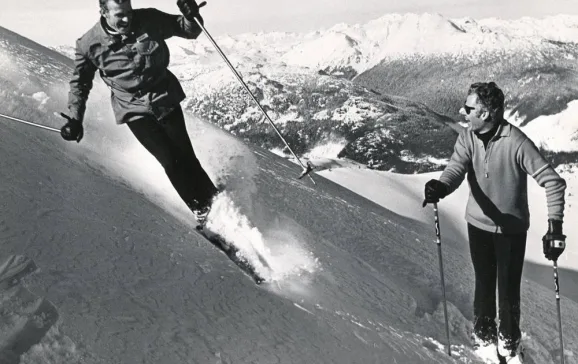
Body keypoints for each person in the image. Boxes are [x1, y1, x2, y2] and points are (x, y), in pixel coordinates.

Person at [423, 82, 567, 363]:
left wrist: (555, 227)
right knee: (484, 285)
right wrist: (441, 187)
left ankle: (510, 347)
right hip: (477, 225)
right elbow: (456, 168)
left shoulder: (516, 142)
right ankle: (486, 342)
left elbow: (553, 183)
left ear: (487, 113)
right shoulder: (467, 138)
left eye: (469, 108)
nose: (463, 112)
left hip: (511, 231)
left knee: (508, 290)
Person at [60, 0, 218, 225]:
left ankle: (215, 200)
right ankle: (201, 211)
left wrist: (190, 15)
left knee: (186, 156)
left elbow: (187, 30)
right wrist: (75, 118)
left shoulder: (150, 19)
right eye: (119, 15)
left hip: (164, 96)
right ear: (103, 12)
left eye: (129, 12)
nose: (127, 19)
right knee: (169, 160)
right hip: (133, 108)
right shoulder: (89, 44)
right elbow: (80, 83)